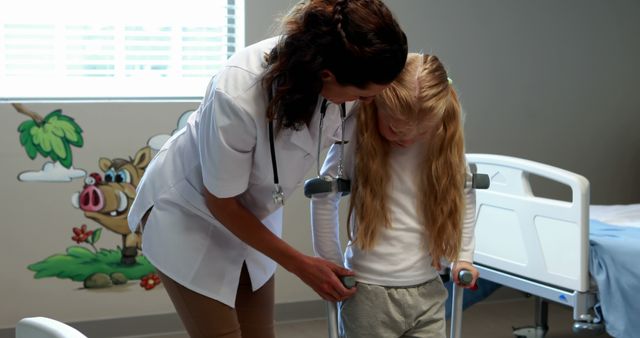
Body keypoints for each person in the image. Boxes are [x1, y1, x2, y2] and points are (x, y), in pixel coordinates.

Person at [126, 0, 408, 337]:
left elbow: (419, 86)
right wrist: (301, 265)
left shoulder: (342, 69)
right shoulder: (237, 94)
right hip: (191, 215)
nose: (367, 104)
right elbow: (221, 203)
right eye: (362, 97)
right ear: (327, 75)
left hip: (253, 212)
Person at [311, 53, 479, 338]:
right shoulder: (356, 133)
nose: (406, 140)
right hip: (368, 293)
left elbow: (464, 192)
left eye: (420, 132)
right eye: (394, 128)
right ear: (377, 104)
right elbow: (323, 194)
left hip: (428, 287)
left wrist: (464, 256)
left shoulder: (442, 136)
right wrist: (331, 261)